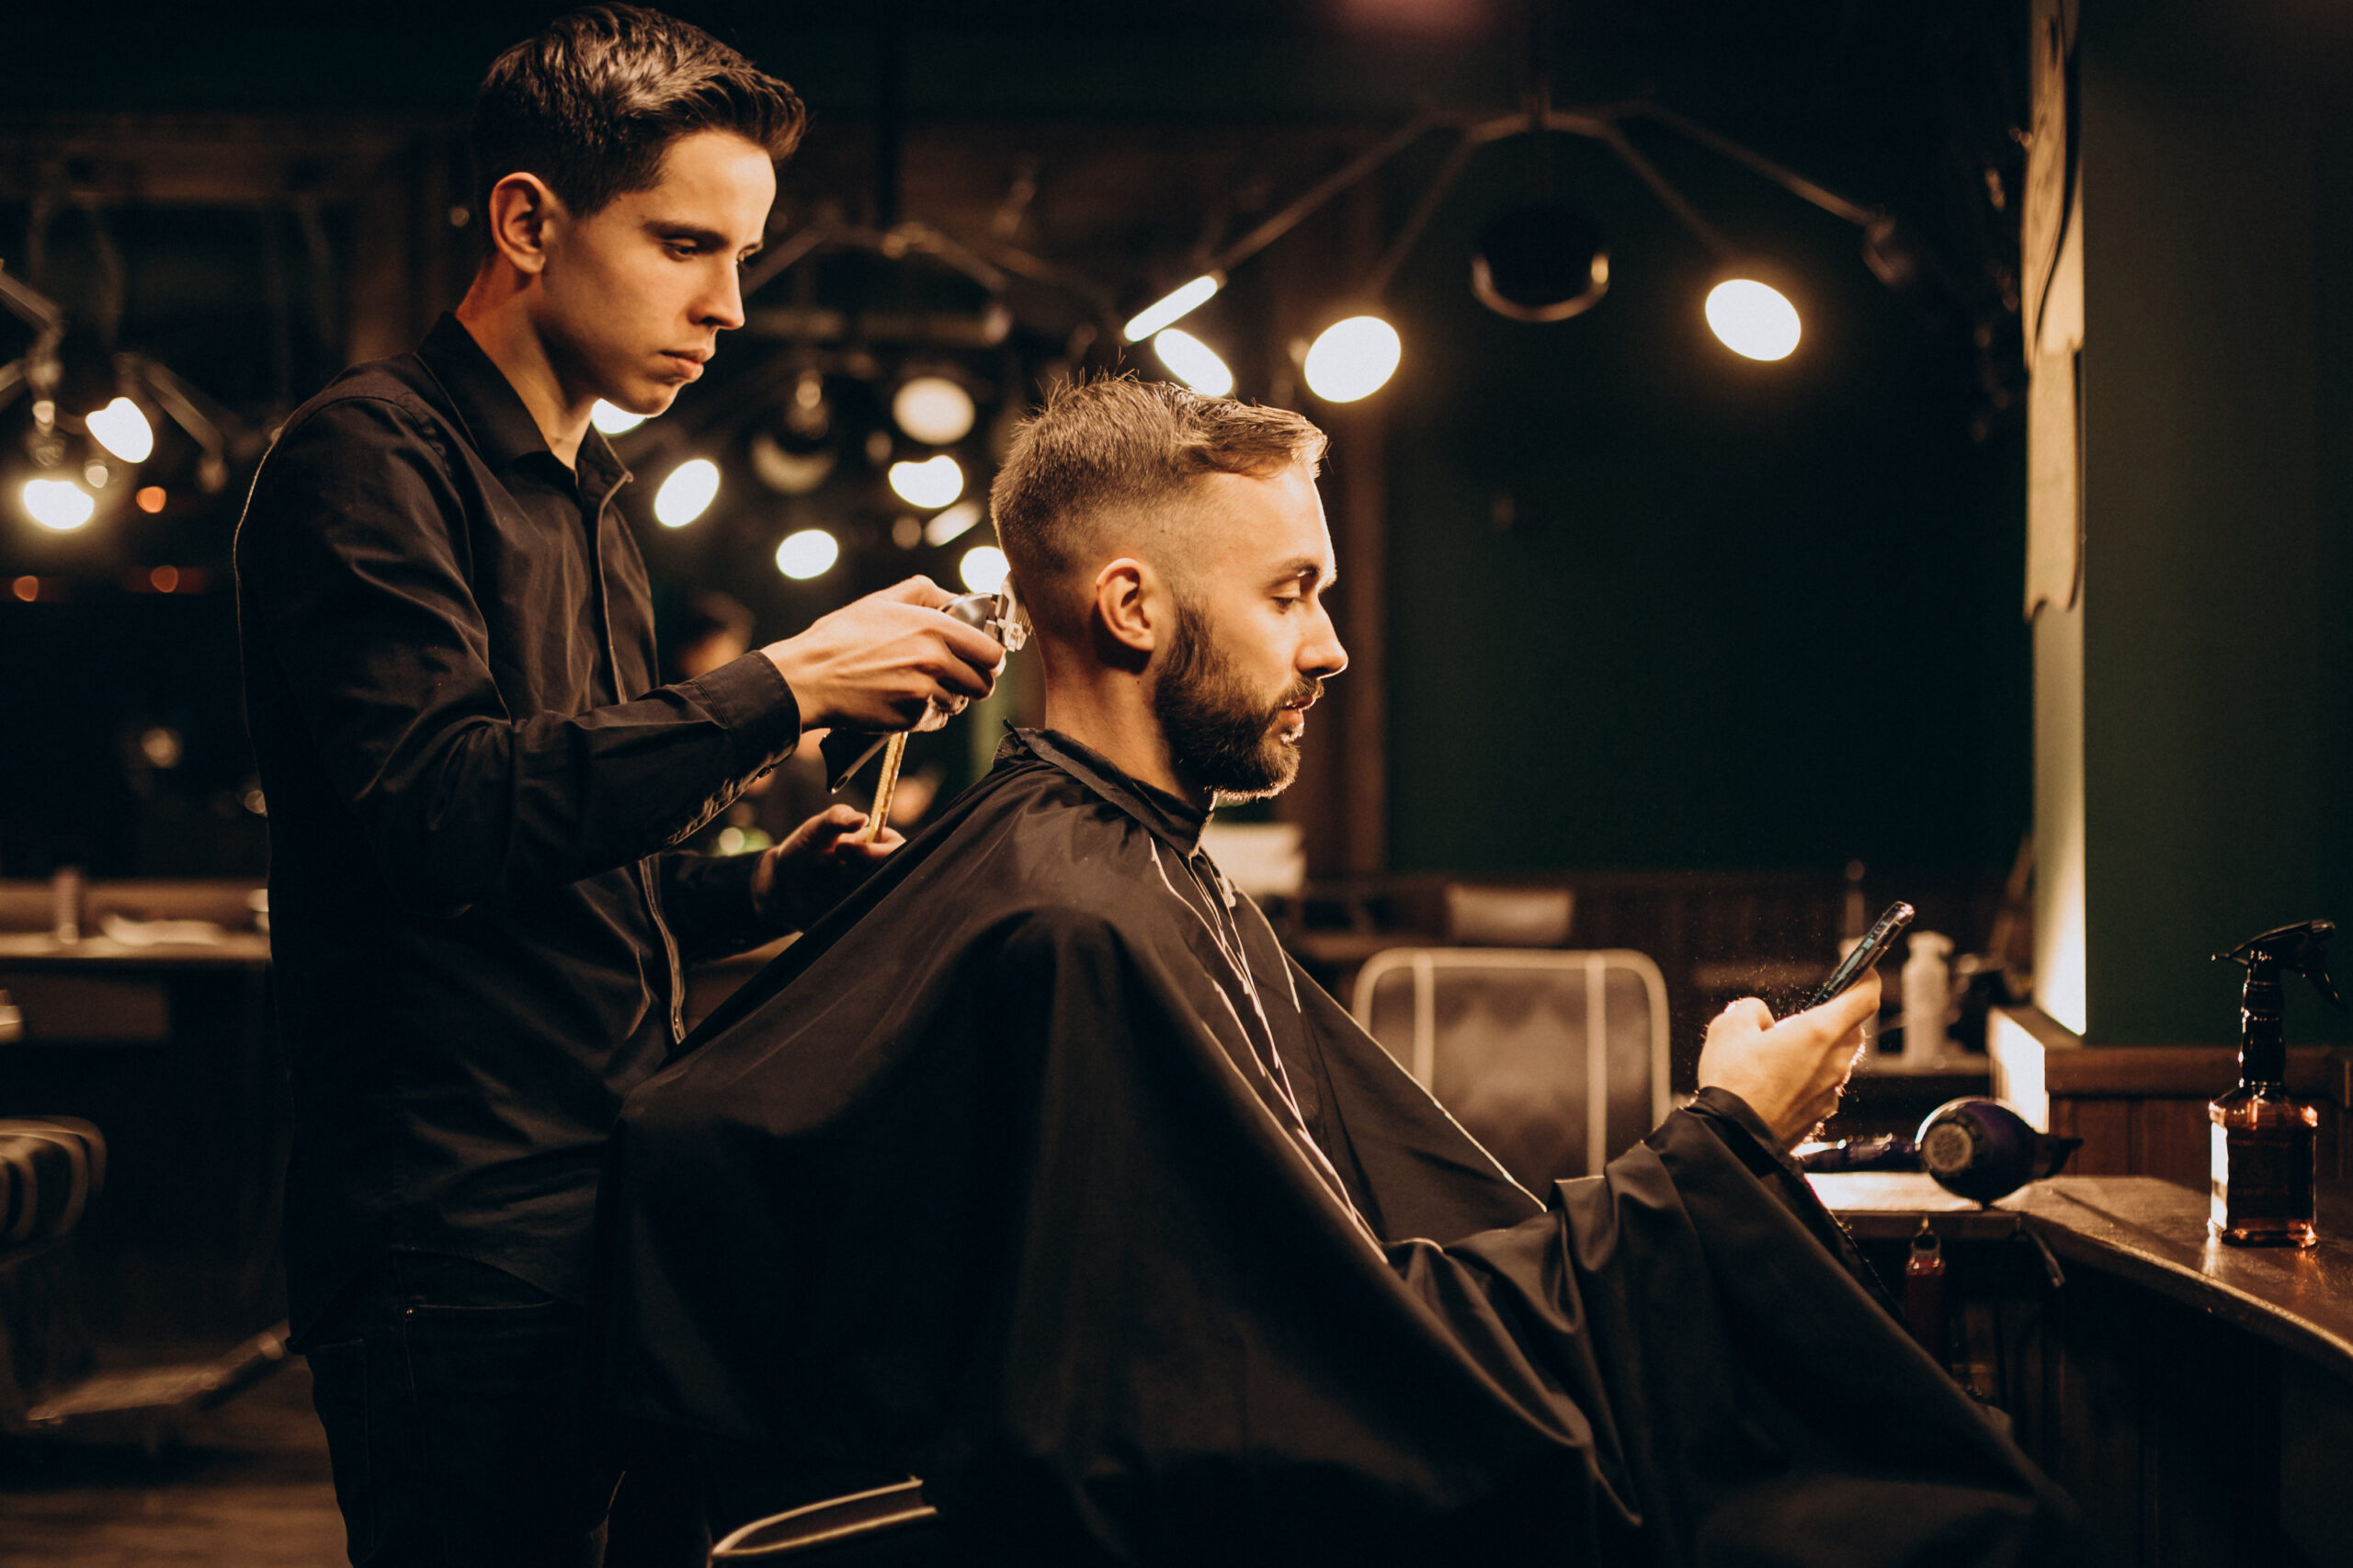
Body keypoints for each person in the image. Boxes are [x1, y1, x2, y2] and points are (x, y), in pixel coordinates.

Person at [594, 379, 2086, 1565]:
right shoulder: (1080, 925)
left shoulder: (1132, 877)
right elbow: (1330, 1389)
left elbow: (1331, 1302)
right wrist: (1719, 1147)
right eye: (1293, 592)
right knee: (1953, 1519)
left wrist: (1704, 1153)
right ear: (1133, 608)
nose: (1334, 649)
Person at [233, 9, 1003, 1564]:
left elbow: (586, 874)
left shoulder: (597, 505)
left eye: (745, 254)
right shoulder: (368, 462)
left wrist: (768, 888)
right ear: (529, 219)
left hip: (614, 1200)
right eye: (684, 245)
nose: (729, 305)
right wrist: (781, 686)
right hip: (451, 1230)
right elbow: (446, 818)